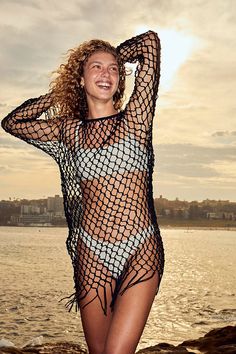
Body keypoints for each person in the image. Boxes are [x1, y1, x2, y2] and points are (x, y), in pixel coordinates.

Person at [1, 30, 165, 354]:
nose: (106, 73)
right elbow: (13, 122)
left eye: (114, 69)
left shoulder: (135, 119)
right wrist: (60, 94)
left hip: (140, 252)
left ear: (120, 80)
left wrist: (115, 53)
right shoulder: (70, 130)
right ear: (81, 78)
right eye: (96, 67)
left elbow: (150, 43)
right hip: (92, 256)